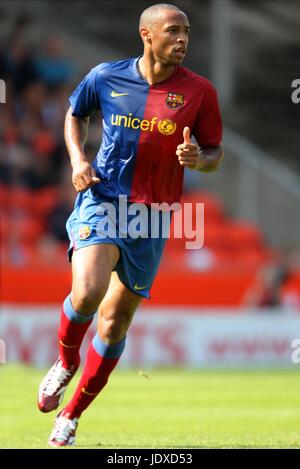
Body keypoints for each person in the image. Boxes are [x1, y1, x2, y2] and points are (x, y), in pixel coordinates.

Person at [38, 3, 224, 447]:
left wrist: (202, 159)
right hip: (102, 198)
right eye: (173, 31)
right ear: (146, 34)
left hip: (152, 216)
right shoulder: (106, 76)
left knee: (115, 323)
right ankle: (66, 362)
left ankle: (72, 414)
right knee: (86, 293)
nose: (182, 39)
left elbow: (215, 151)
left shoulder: (199, 93)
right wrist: (78, 159)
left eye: (187, 32)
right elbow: (74, 114)